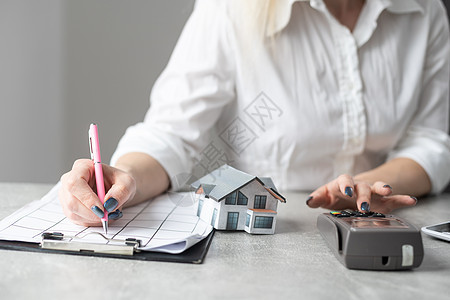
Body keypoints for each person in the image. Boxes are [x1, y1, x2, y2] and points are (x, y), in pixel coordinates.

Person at [59, 0, 450, 227]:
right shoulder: (231, 8)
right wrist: (124, 179)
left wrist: (364, 187)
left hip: (379, 225)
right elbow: (170, 134)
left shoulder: (425, 11)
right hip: (274, 233)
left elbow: (431, 141)